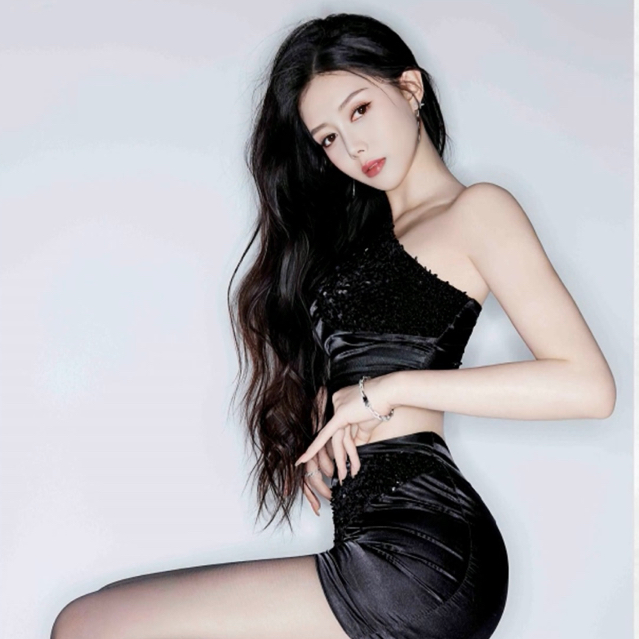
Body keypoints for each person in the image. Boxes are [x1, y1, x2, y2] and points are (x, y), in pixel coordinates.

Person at [50, 12, 616, 639]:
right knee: (99, 612)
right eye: (328, 138)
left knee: (88, 625)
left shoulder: (477, 211)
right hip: (372, 531)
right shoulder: (360, 243)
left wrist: (383, 392)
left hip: (426, 550)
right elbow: (370, 355)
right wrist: (329, 412)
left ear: (410, 89)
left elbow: (587, 387)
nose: (354, 149)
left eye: (360, 111)